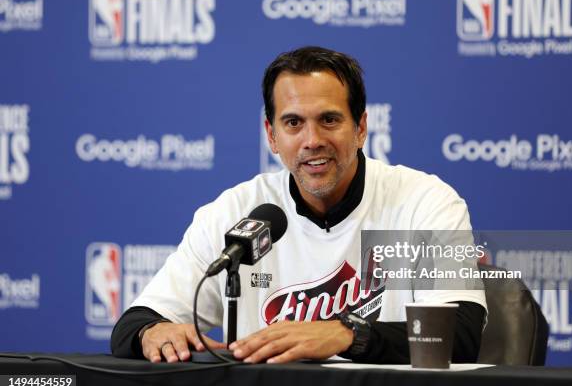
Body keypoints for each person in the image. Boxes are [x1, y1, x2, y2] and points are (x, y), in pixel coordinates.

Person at [111, 46, 487, 364]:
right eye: (293, 123)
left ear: (360, 128)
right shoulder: (236, 211)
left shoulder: (425, 202)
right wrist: (152, 331)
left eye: (329, 120)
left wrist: (346, 334)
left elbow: (460, 333)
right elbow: (133, 324)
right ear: (271, 136)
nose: (312, 140)